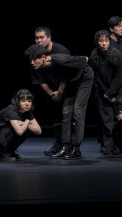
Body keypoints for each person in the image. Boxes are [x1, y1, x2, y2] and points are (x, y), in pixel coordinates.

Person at [25, 44, 94, 159]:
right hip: (70, 82)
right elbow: (62, 76)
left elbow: (85, 60)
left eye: (34, 59)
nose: (32, 62)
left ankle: (76, 149)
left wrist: (74, 79)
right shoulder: (43, 67)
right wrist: (59, 93)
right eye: (30, 59)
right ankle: (65, 147)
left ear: (43, 57)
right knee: (66, 112)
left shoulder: (59, 59)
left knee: (77, 111)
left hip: (84, 79)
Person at [31, 26, 70, 156]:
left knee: (67, 117)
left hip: (68, 88)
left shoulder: (61, 51)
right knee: (57, 117)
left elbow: (67, 75)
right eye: (37, 38)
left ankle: (69, 146)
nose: (39, 40)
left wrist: (60, 92)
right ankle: (58, 145)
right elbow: (39, 79)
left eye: (42, 37)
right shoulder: (34, 53)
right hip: (53, 91)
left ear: (49, 37)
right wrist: (51, 93)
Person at [89, 29, 122, 155]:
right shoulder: (93, 57)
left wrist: (111, 93)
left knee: (118, 118)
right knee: (106, 120)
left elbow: (118, 76)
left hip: (118, 90)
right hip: (103, 91)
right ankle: (108, 146)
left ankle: (119, 145)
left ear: (109, 41)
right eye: (101, 41)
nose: (104, 43)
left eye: (106, 40)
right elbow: (96, 77)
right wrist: (106, 93)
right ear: (97, 42)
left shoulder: (117, 55)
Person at [0, 89, 42, 161]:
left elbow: (39, 131)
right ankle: (3, 154)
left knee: (27, 128)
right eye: (23, 101)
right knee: (17, 128)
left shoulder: (28, 112)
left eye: (29, 101)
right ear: (18, 102)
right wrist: (27, 121)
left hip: (1, 134)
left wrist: (24, 123)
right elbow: (19, 132)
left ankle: (10, 152)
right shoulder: (11, 110)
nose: (27, 104)